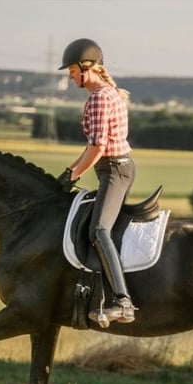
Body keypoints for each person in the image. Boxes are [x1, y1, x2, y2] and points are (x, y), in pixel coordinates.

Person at [56, 38, 137, 325]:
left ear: (86, 66)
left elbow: (98, 147)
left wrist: (75, 174)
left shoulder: (100, 97)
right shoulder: (103, 94)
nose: (70, 75)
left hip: (114, 169)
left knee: (99, 230)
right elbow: (91, 147)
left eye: (72, 70)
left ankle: (122, 302)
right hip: (111, 168)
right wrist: (71, 171)